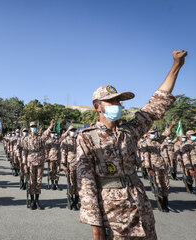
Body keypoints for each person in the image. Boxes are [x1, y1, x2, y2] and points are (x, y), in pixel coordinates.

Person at [77, 50, 187, 239]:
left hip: (141, 208)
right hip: (113, 216)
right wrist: (97, 228)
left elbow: (155, 105)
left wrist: (176, 66)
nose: (117, 104)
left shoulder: (130, 130)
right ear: (98, 107)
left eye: (119, 101)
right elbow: (86, 185)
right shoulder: (88, 137)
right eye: (111, 101)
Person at [22, 120, 55, 210]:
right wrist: (24, 163)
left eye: (35, 127)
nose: (33, 128)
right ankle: (32, 200)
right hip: (30, 162)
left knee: (39, 181)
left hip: (40, 162)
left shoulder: (40, 138)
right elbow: (24, 151)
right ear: (29, 128)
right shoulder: (26, 139)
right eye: (32, 127)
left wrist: (51, 126)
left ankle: (37, 200)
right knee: (32, 181)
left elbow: (46, 134)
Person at [61, 126, 80, 210]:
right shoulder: (65, 141)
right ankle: (72, 200)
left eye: (74, 130)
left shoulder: (78, 139)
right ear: (68, 131)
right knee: (71, 182)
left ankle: (76, 201)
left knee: (79, 183)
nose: (73, 132)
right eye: (71, 130)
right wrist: (64, 165)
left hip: (79, 163)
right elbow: (63, 153)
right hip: (70, 164)